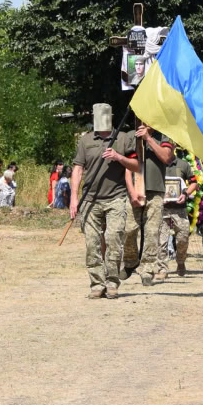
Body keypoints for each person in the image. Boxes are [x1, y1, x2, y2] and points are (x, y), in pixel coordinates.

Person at [70, 103, 140, 299]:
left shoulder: (123, 138)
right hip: (90, 199)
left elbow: (135, 165)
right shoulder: (85, 140)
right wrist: (74, 199)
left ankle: (112, 282)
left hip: (115, 198)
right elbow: (77, 169)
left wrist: (118, 157)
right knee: (92, 243)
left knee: (113, 240)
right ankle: (96, 283)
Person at [123, 125, 173, 286]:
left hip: (155, 190)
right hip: (134, 190)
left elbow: (166, 157)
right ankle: (131, 262)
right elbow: (128, 167)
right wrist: (131, 192)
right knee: (129, 229)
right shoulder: (132, 136)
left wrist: (148, 139)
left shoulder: (164, 135)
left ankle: (147, 269)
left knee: (152, 232)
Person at [158, 154, 198, 278]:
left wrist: (185, 194)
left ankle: (180, 261)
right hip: (161, 208)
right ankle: (162, 269)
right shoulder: (156, 163)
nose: (165, 150)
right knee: (161, 239)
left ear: (174, 147)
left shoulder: (183, 164)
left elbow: (194, 182)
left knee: (183, 238)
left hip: (179, 208)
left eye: (168, 147)